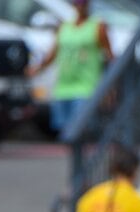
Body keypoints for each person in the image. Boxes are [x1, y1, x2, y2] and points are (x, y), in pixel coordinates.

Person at [28, 0, 111, 138]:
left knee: (82, 131)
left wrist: (109, 87)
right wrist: (36, 69)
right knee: (66, 134)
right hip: (63, 88)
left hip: (87, 87)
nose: (80, 5)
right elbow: (53, 54)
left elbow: (109, 56)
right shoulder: (64, 27)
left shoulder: (97, 26)